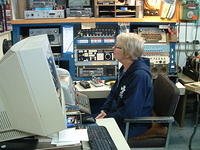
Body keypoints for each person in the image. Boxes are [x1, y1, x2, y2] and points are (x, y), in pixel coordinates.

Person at [95, 32, 154, 138]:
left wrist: (108, 117)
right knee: (87, 122)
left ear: (127, 53)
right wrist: (105, 110)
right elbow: (114, 92)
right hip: (119, 115)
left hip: (132, 124)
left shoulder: (139, 76)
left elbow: (131, 111)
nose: (113, 48)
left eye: (117, 47)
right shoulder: (125, 68)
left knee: (95, 133)